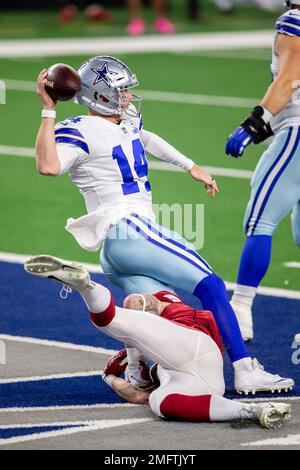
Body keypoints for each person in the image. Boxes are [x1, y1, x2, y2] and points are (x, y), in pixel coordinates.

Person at [35, 54, 294, 394]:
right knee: (213, 287)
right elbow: (49, 166)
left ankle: (137, 370)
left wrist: (191, 167)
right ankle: (245, 370)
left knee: (162, 313)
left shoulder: (122, 123)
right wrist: (48, 109)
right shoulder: (78, 131)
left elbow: (146, 139)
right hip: (131, 230)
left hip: (115, 251)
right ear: (99, 95)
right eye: (122, 90)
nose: (128, 96)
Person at [24, 255, 292, 428]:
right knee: (160, 403)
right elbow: (139, 395)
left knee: (113, 321)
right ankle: (253, 411)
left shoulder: (168, 305)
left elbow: (133, 303)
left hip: (195, 345)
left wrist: (129, 365)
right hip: (197, 379)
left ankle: (86, 286)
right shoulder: (162, 313)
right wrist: (121, 374)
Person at [225, 1, 300, 341]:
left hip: (297, 135)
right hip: (291, 128)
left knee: (260, 220)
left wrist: (254, 125)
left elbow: (287, 82)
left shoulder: (294, 20)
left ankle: (240, 309)